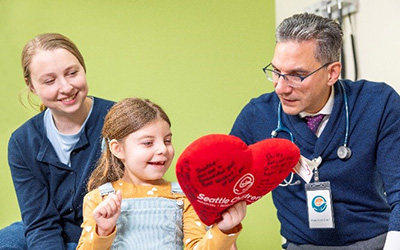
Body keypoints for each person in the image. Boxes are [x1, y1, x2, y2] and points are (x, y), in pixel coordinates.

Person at [230, 13, 400, 250]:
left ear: (332, 73)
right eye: (276, 71)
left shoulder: (378, 104)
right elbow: (220, 188)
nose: (280, 87)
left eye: (296, 76)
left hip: (376, 242)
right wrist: (225, 238)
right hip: (301, 245)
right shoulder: (258, 116)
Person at [77, 97, 246, 250]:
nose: (163, 149)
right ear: (118, 149)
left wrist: (224, 230)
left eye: (167, 140)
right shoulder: (98, 199)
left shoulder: (185, 196)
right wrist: (103, 230)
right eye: (148, 142)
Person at [0, 33, 114, 250]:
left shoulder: (118, 119)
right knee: (6, 241)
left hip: (108, 231)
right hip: (51, 231)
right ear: (31, 85)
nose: (66, 87)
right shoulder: (22, 142)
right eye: (50, 81)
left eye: (72, 73)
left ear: (83, 68)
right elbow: (40, 223)